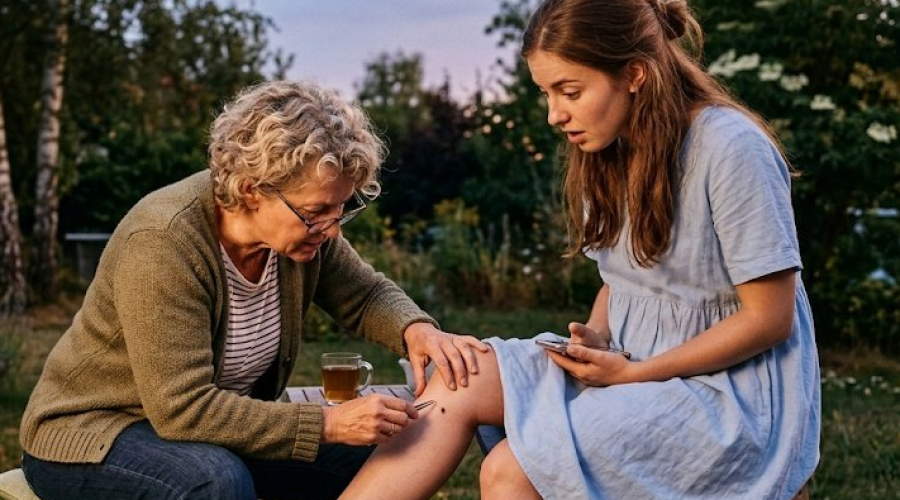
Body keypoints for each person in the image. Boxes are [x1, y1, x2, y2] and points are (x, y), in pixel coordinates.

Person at [336, 0, 820, 499]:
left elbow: (769, 319)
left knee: (511, 470)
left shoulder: (730, 147)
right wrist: (597, 336)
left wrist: (635, 373)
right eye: (546, 92)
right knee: (461, 375)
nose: (554, 114)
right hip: (632, 363)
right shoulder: (609, 151)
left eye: (570, 91)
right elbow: (623, 280)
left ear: (634, 74)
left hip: (727, 394)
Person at [19, 80, 488, 500]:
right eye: (316, 210)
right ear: (250, 190)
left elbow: (363, 295)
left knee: (387, 450)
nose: (330, 228)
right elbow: (183, 410)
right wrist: (328, 423)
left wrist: (417, 330)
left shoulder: (303, 238)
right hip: (96, 433)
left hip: (204, 432)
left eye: (342, 208)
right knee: (216, 482)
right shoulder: (164, 242)